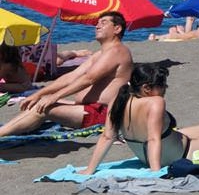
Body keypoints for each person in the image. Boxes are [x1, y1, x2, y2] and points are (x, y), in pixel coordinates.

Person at [78, 60, 199, 176]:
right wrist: (155, 171)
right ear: (146, 88)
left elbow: (107, 137)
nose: (165, 88)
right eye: (162, 85)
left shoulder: (118, 99)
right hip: (178, 153)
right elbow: (153, 139)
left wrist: (90, 169)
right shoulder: (155, 102)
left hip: (149, 155)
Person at [0, 12, 134, 140]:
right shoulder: (100, 54)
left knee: (43, 109)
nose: (97, 26)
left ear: (117, 29)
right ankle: (12, 129)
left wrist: (55, 96)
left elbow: (88, 79)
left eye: (103, 23)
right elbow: (71, 76)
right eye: (97, 23)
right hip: (88, 108)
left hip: (102, 113)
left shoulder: (117, 51)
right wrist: (38, 94)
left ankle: (2, 133)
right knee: (40, 101)